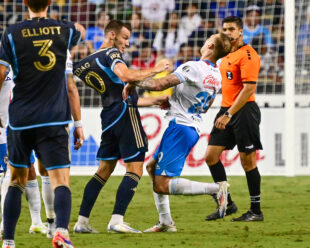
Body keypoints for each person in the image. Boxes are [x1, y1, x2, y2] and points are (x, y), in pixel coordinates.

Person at [122, 32, 232, 232]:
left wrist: (133, 80)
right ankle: (165, 222)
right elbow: (206, 107)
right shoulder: (216, 75)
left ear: (211, 46)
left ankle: (216, 189)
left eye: (209, 38)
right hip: (189, 126)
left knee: (162, 185)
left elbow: (158, 84)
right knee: (152, 167)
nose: (205, 39)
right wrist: (173, 102)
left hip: (181, 128)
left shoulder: (193, 67)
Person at [0, 0, 85, 247]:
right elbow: (79, 28)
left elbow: (1, 74)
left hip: (21, 119)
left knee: (16, 180)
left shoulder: (12, 34)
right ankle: (60, 231)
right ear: (50, 2)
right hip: (54, 118)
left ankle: (8, 242)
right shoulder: (64, 30)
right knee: (60, 180)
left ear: (25, 2)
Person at [72, 20, 169, 234]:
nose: (127, 43)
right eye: (125, 38)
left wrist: (153, 100)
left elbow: (117, 94)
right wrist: (157, 69)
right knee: (135, 167)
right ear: (112, 35)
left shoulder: (84, 64)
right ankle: (117, 220)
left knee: (103, 170)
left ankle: (82, 222)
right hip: (125, 116)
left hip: (109, 117)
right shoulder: (111, 54)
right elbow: (126, 77)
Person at [204, 16, 263, 222]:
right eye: (225, 29)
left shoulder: (248, 54)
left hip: (244, 112)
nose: (228, 33)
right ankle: (227, 204)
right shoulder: (225, 55)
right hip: (226, 109)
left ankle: (256, 211)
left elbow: (248, 89)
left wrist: (229, 114)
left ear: (241, 32)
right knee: (211, 156)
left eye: (231, 29)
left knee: (248, 161)